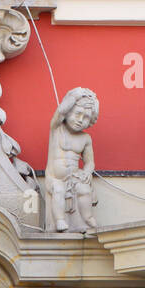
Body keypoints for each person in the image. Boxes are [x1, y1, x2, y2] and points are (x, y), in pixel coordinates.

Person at [45, 87, 99, 235]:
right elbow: (60, 112)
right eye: (77, 114)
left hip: (74, 176)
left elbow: (89, 162)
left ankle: (87, 218)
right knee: (59, 190)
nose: (80, 120)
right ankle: (60, 219)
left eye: (86, 117)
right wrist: (75, 96)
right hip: (55, 178)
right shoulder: (56, 129)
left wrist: (87, 172)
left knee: (84, 190)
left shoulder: (85, 139)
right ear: (69, 112)